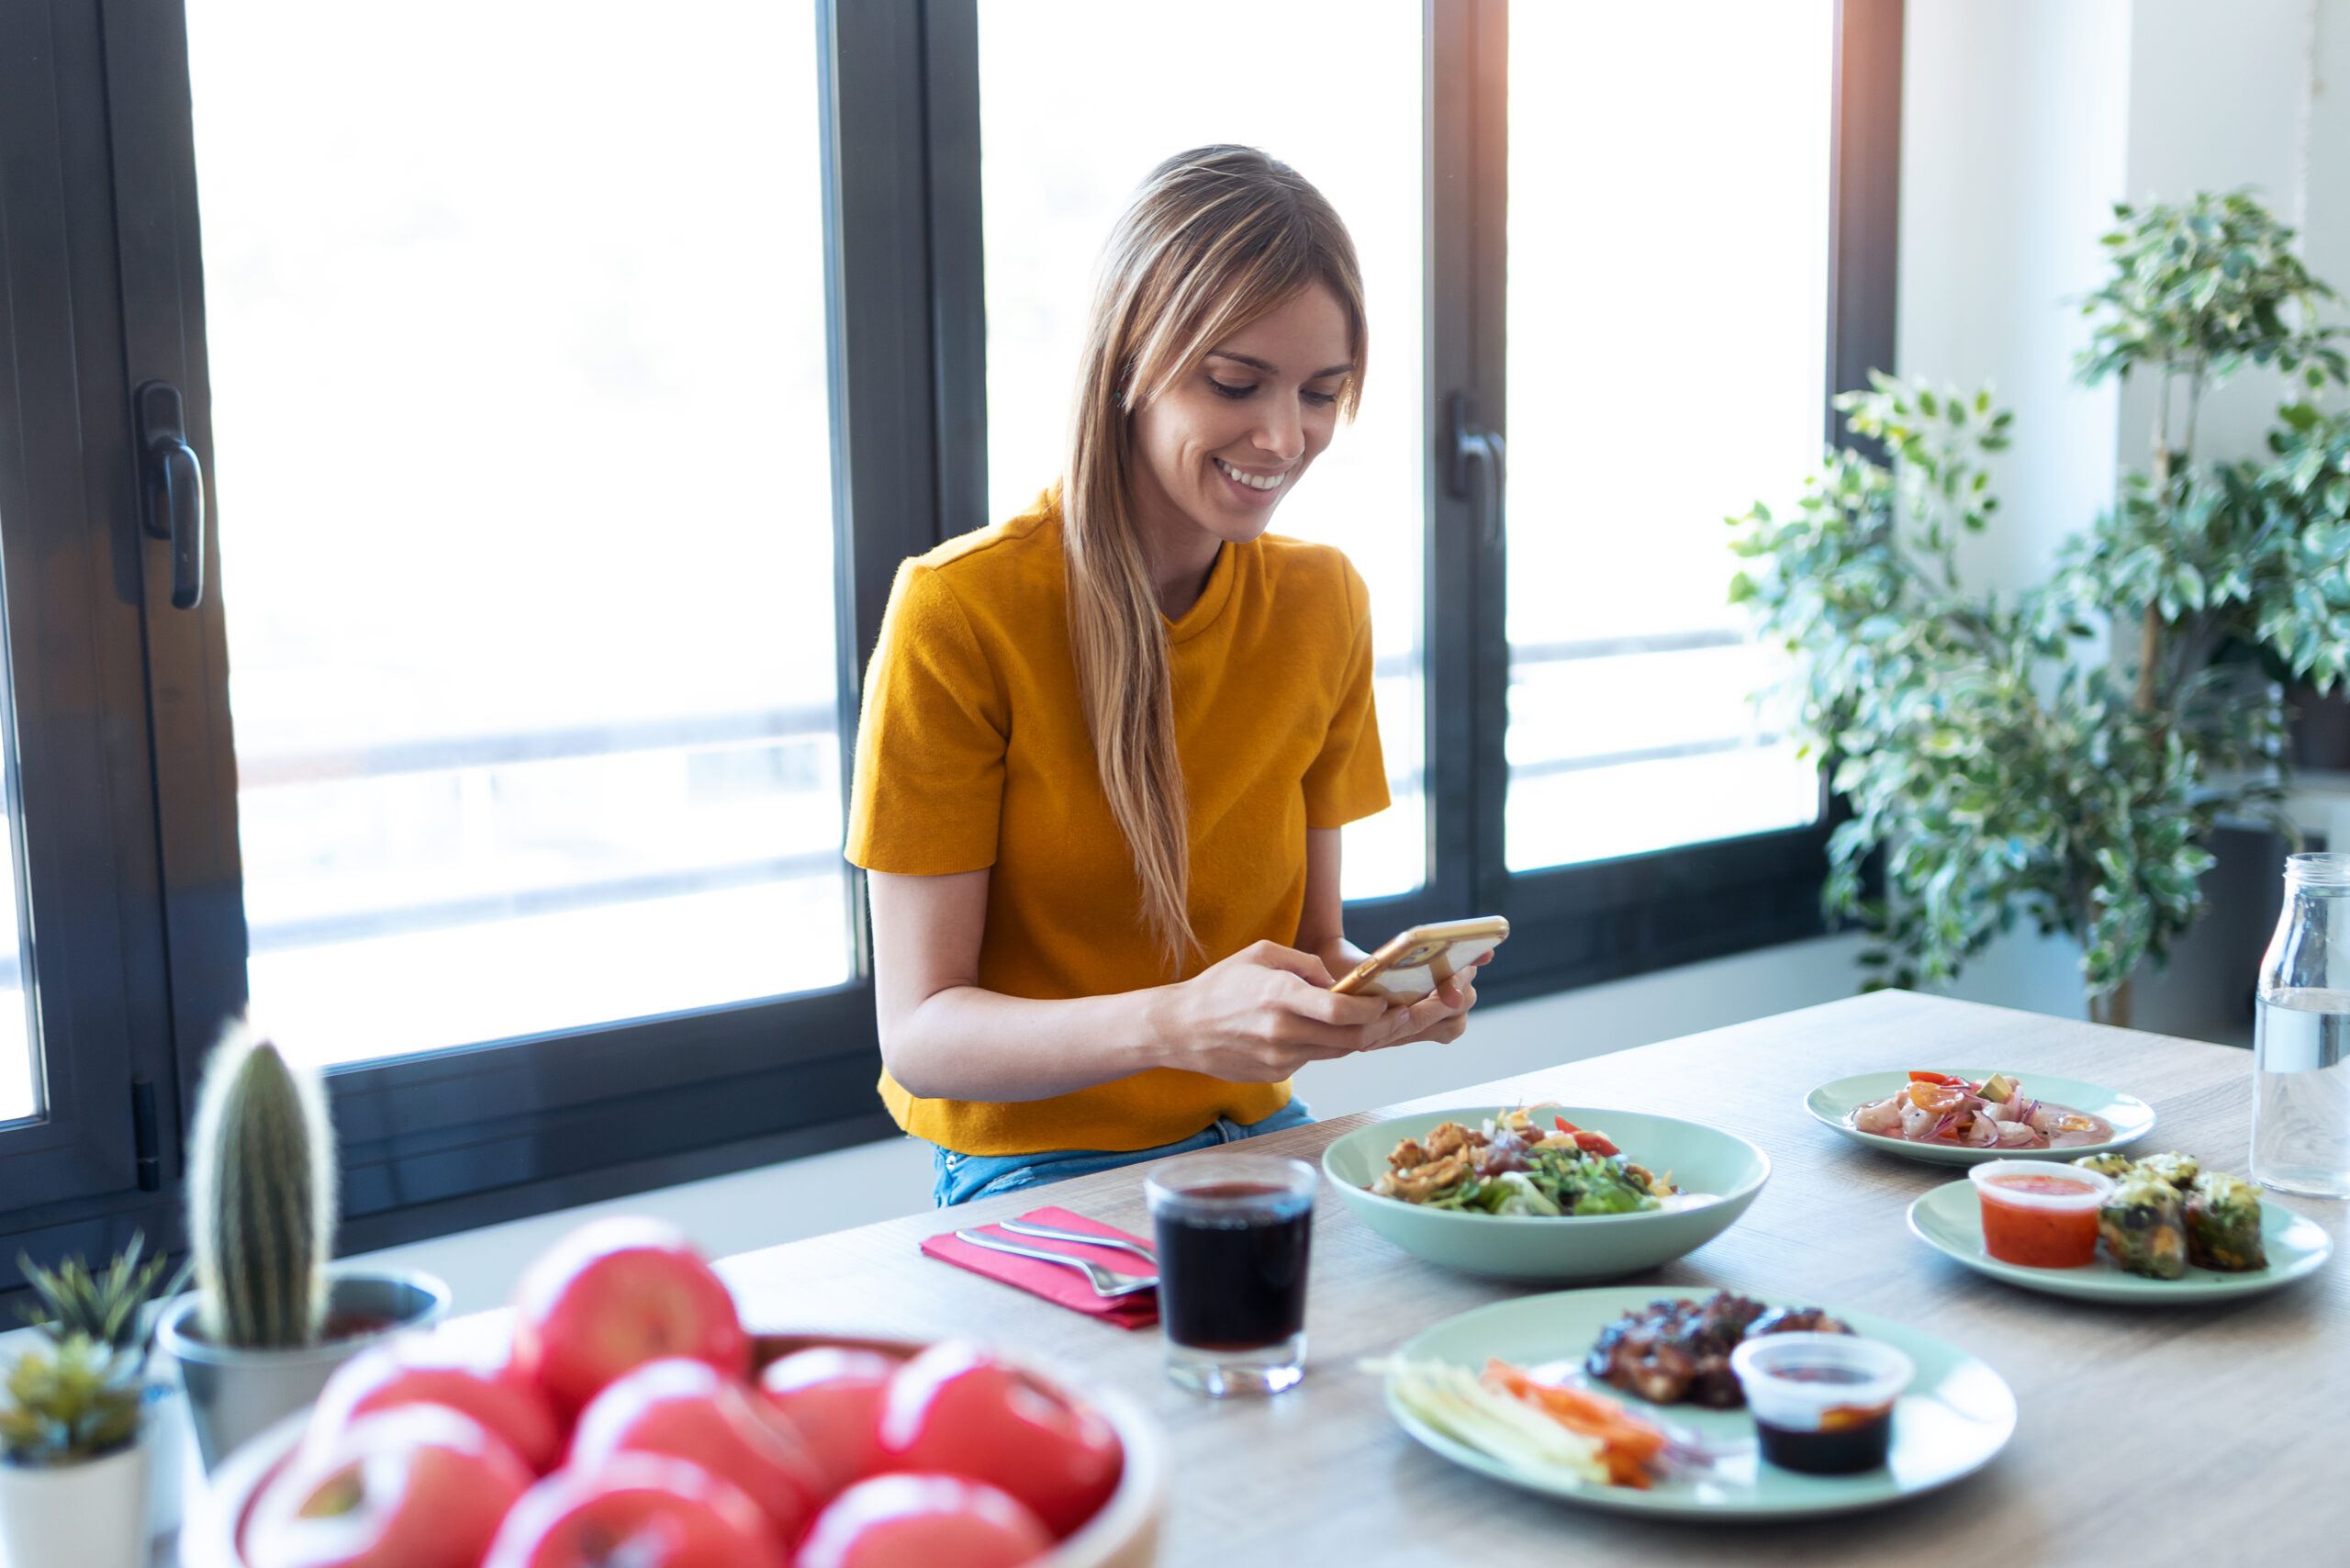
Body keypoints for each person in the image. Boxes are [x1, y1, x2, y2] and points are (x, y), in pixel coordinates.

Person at [846, 145, 1483, 1207]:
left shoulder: (1324, 602)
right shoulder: (959, 612)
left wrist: (1371, 1004)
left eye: (1322, 393)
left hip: (1264, 1139)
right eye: (1234, 382)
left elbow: (1313, 946)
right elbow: (922, 1034)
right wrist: (1177, 1019)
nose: (1284, 437)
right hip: (1035, 1171)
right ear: (1131, 360)